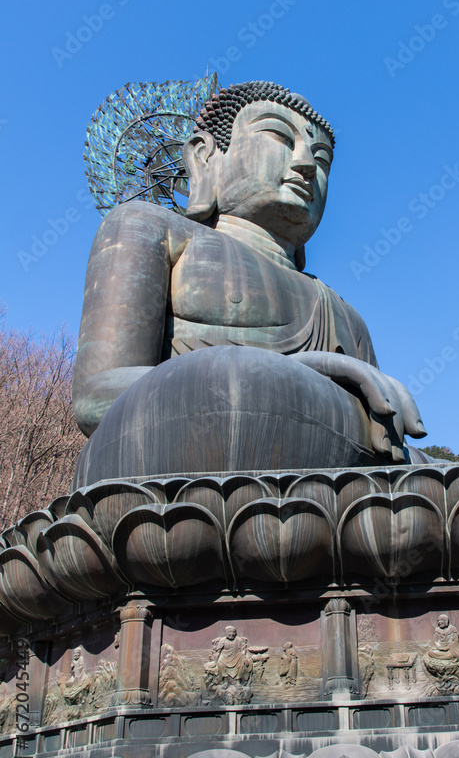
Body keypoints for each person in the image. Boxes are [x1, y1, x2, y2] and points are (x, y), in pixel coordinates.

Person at [72, 81, 427, 486]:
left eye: (323, 159)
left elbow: (380, 440)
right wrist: (293, 374)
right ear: (205, 158)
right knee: (242, 390)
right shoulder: (147, 226)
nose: (307, 165)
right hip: (174, 450)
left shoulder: (344, 314)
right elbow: (94, 397)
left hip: (324, 470)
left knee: (436, 476)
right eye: (278, 136)